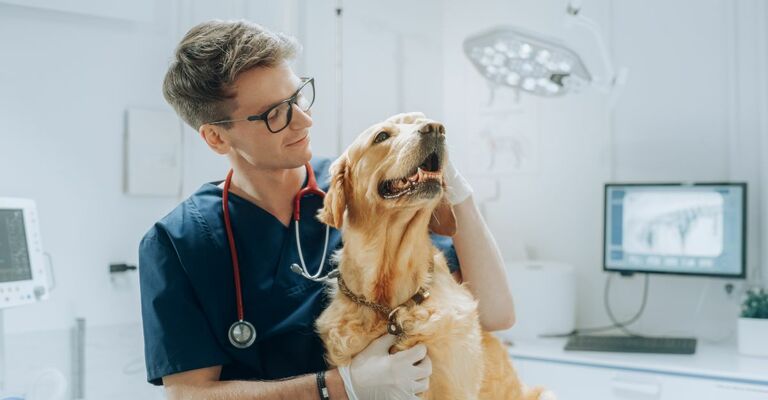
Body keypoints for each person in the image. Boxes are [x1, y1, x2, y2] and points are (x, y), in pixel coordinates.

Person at [138, 19, 516, 400]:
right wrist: (339, 386)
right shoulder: (178, 243)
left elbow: (495, 312)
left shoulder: (362, 189)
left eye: (298, 97)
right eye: (274, 114)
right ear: (217, 137)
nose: (304, 120)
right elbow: (189, 394)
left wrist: (455, 186)